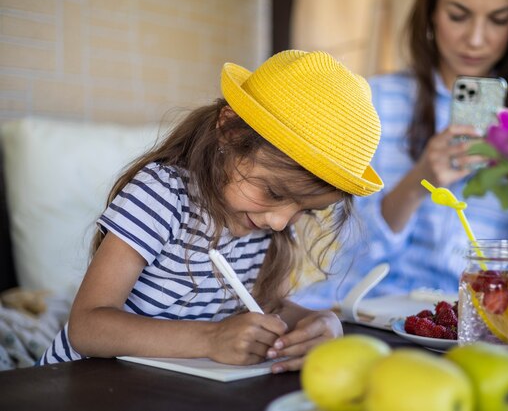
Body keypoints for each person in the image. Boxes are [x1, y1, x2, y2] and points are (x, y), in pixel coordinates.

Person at [38, 50, 384, 373]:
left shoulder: (268, 222)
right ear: (231, 131)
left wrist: (320, 323)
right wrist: (212, 338)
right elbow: (87, 327)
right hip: (81, 384)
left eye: (305, 211)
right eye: (273, 191)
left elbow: (271, 308)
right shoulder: (163, 193)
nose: (280, 222)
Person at [293, 0, 508, 309]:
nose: (475, 39)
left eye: (498, 20)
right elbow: (348, 253)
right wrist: (418, 181)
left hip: (487, 317)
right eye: (458, 16)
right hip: (378, 309)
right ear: (431, 13)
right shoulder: (374, 101)